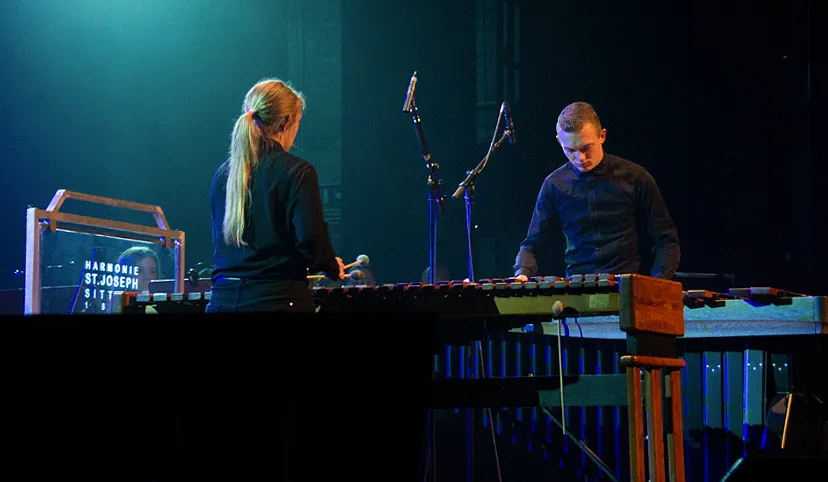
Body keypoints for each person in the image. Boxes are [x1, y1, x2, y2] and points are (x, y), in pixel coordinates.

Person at [206, 79, 345, 313]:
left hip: (222, 301)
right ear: (287, 122)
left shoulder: (223, 175)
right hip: (277, 300)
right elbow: (310, 238)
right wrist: (331, 266)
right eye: (298, 123)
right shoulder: (298, 171)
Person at [514, 102, 680, 281]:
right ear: (559, 141)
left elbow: (666, 239)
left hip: (625, 285)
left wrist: (659, 283)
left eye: (586, 148)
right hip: (577, 287)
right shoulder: (554, 184)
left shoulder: (636, 178)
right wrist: (522, 273)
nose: (580, 158)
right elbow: (533, 243)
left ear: (602, 136)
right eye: (570, 150)